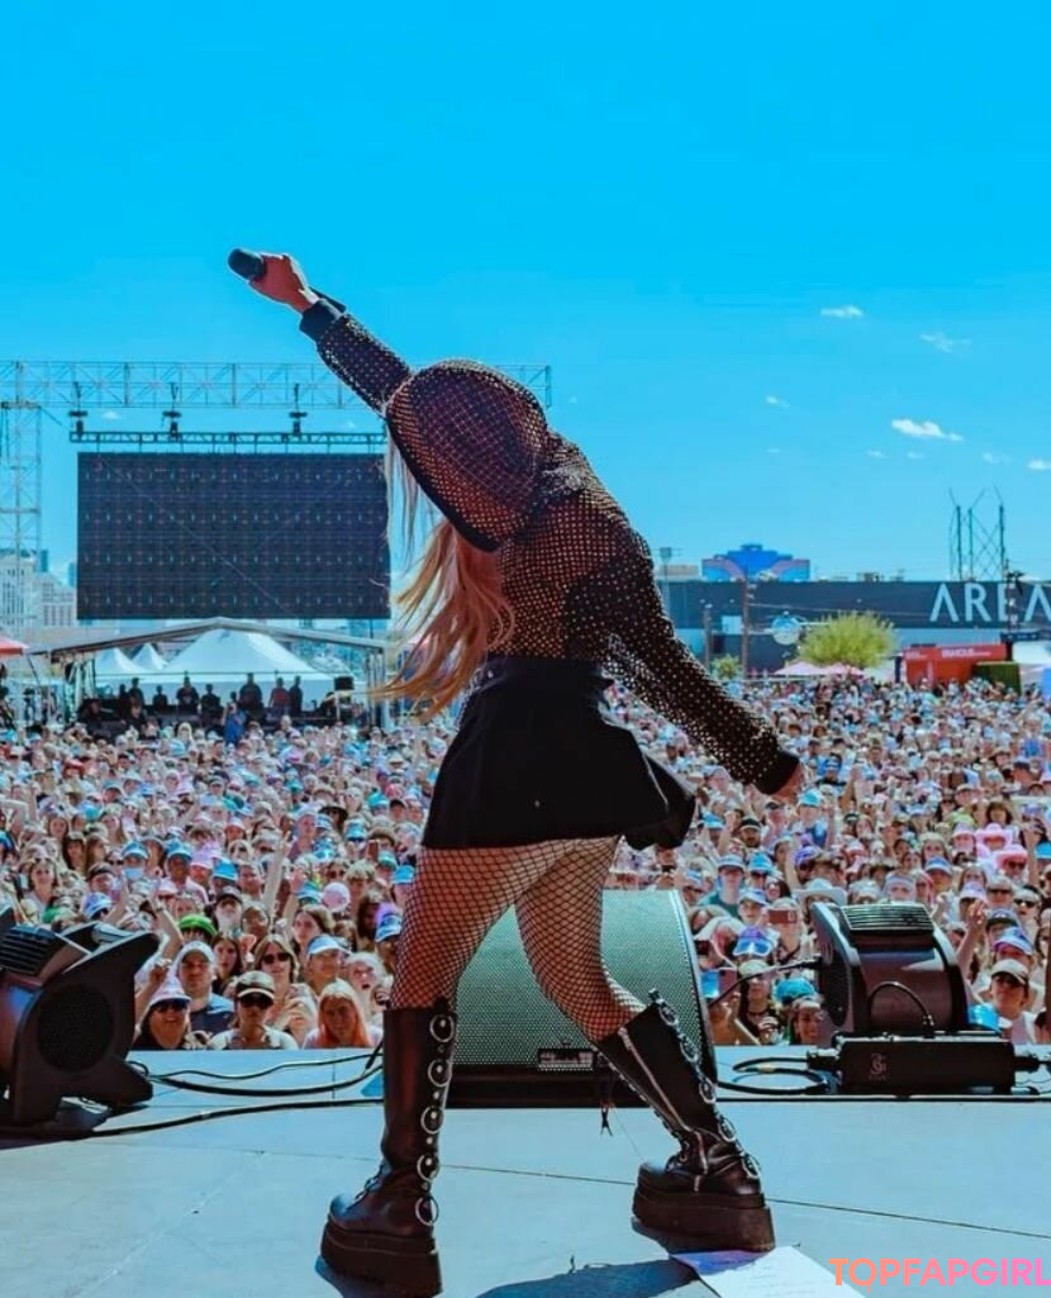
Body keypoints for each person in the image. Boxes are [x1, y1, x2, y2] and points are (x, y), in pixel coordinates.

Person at [245, 252, 803, 1295]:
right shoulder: (581, 508)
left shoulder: (539, 519)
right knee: (574, 978)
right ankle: (718, 1166)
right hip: (587, 765)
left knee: (423, 977)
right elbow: (415, 403)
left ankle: (398, 1203)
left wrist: (763, 759)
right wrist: (313, 308)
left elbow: (665, 666)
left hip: (513, 758)